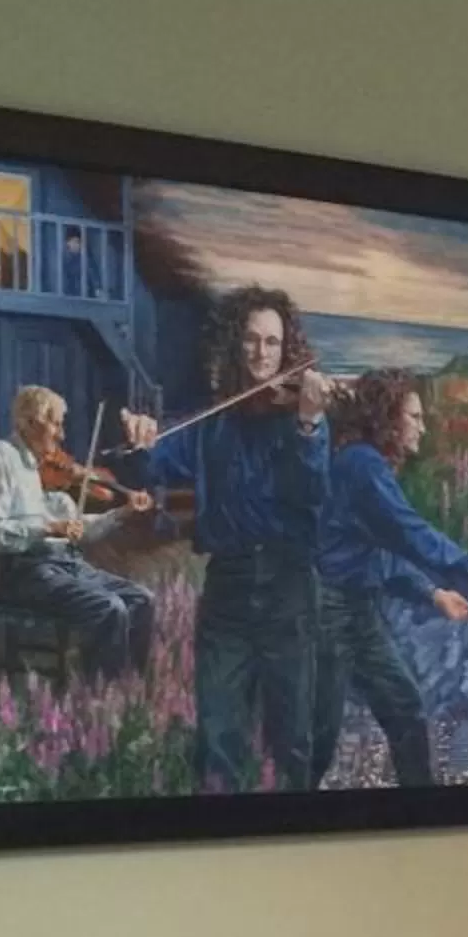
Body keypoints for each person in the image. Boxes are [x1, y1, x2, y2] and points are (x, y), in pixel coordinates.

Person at [119, 287, 330, 791]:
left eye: (273, 343)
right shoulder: (212, 424)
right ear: (236, 345)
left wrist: (309, 424)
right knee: (217, 740)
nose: (262, 353)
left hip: (288, 590)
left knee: (292, 741)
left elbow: (313, 493)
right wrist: (142, 441)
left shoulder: (302, 422)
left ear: (288, 349)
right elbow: (152, 469)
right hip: (228, 589)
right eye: (252, 340)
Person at [313, 372, 468, 787]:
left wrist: (433, 593)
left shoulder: (365, 463)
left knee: (404, 711)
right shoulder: (363, 465)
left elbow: (379, 553)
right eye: (414, 417)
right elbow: (408, 531)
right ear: (388, 419)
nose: (423, 427)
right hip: (326, 612)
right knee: (319, 734)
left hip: (354, 611)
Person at [0, 385, 156, 677]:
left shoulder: (37, 469)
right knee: (109, 608)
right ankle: (102, 692)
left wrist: (124, 512)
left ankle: (130, 687)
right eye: (55, 424)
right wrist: (49, 527)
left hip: (67, 564)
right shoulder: (1, 455)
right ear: (29, 422)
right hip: (28, 572)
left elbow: (80, 530)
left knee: (142, 599)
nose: (61, 435)